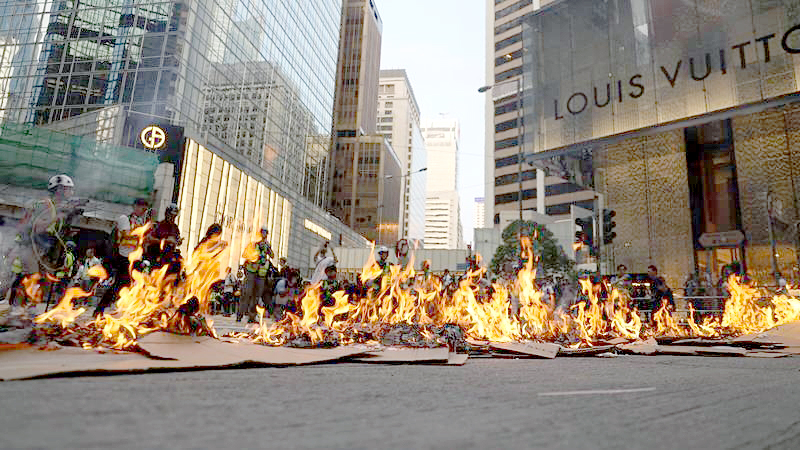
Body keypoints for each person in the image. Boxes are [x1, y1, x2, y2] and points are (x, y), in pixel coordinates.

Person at [94, 198, 151, 316]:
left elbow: (142, 241)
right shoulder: (124, 219)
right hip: (123, 257)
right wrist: (141, 233)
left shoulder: (140, 222)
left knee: (134, 285)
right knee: (120, 284)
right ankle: (100, 309)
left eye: (145, 208)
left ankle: (123, 309)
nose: (143, 210)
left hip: (135, 259)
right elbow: (126, 234)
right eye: (141, 207)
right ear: (134, 206)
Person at [239, 227, 274, 322]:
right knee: (247, 293)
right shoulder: (253, 244)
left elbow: (272, 255)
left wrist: (268, 248)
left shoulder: (266, 245)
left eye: (266, 233)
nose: (264, 235)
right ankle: (240, 314)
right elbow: (245, 255)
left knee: (257, 295)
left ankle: (252, 316)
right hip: (251, 271)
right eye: (263, 233)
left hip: (261, 273)